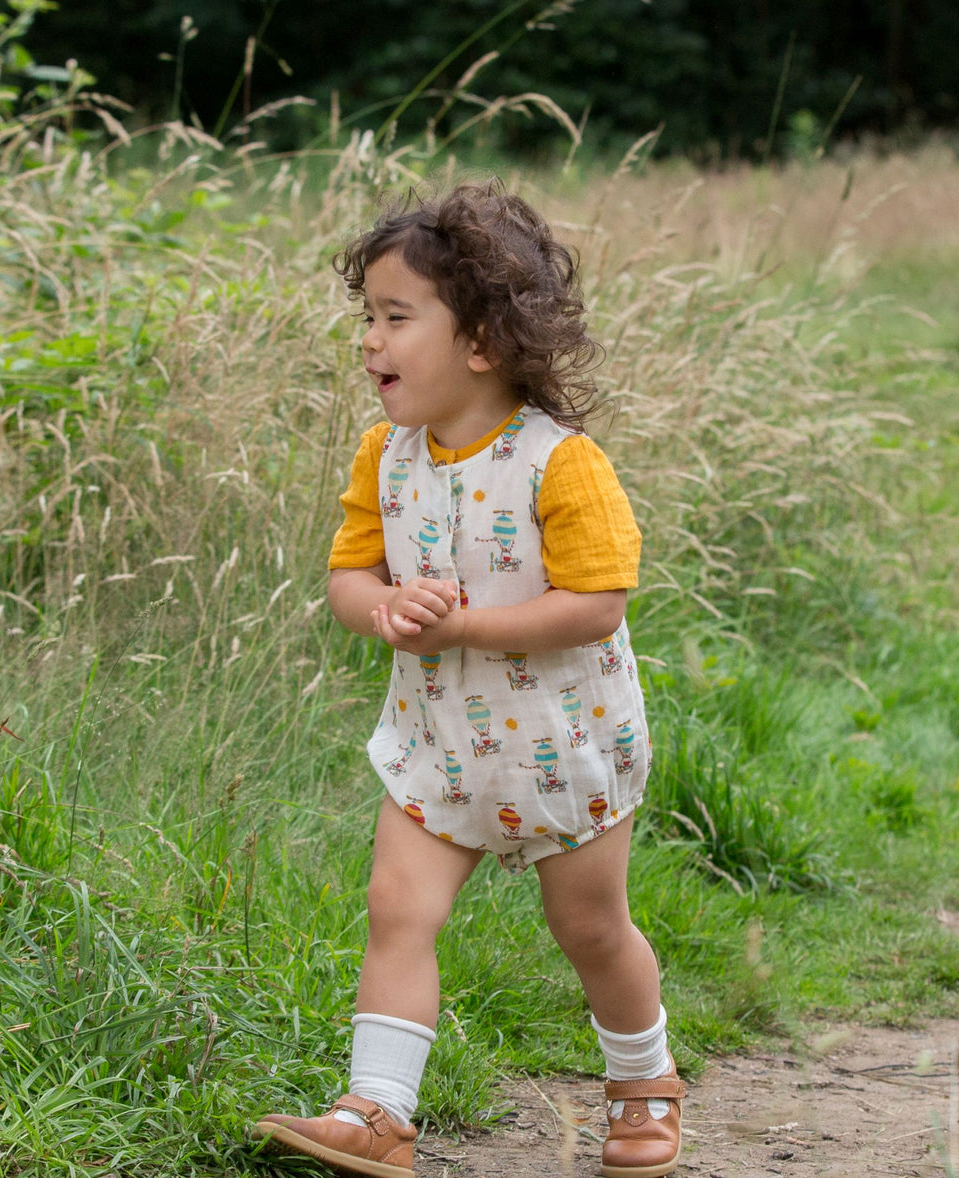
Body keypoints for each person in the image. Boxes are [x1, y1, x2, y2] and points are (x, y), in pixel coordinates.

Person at [250, 180, 684, 1178]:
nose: (369, 340)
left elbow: (597, 601)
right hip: (436, 744)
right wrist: (384, 611)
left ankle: (643, 1083)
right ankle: (378, 1109)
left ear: (481, 340)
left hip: (560, 746)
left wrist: (464, 623)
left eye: (395, 317)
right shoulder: (384, 457)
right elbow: (349, 575)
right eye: (366, 316)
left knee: (589, 926)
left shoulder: (559, 463)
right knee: (395, 906)